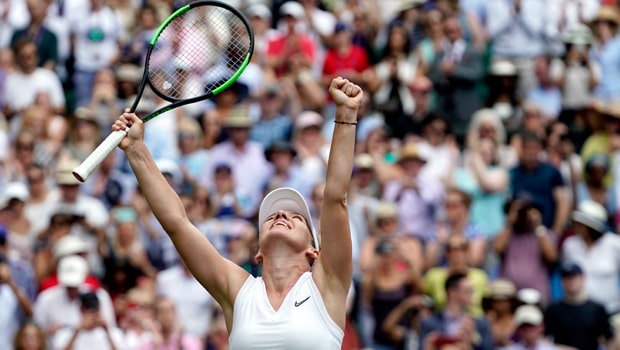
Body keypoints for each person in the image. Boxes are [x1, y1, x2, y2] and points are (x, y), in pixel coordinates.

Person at [112, 77, 362, 349]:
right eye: (271, 217)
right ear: (258, 252)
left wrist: (346, 114)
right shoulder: (239, 290)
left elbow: (336, 197)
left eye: (296, 217)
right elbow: (178, 224)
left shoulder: (328, 284)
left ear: (314, 251)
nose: (281, 216)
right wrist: (137, 150)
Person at [544, 261, 615, 350]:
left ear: (582, 278)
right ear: (561, 281)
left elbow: (609, 338)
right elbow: (542, 339)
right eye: (566, 278)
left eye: (573, 277)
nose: (570, 281)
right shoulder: (553, 309)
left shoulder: (597, 309)